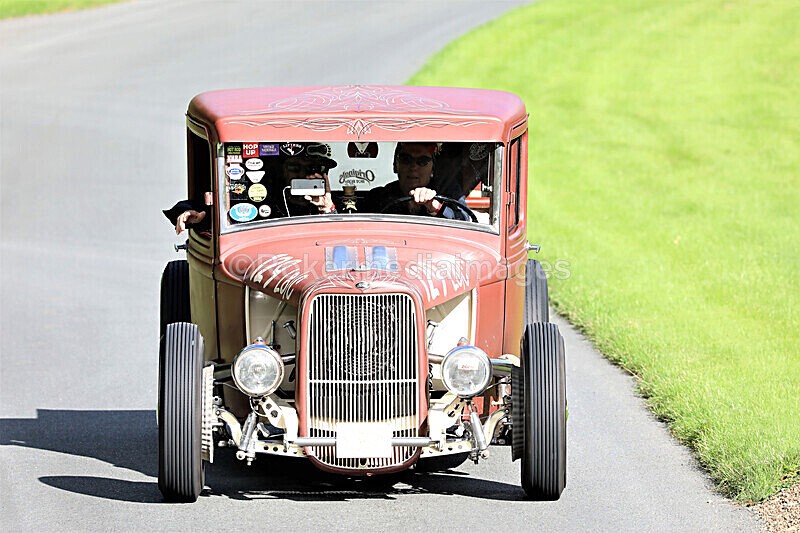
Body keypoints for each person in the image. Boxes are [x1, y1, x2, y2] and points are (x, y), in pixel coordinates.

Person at [164, 142, 338, 234]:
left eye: (310, 169)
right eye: (294, 168)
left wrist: (326, 208)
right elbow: (189, 209)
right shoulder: (262, 198)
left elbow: (345, 240)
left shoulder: (334, 203)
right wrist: (198, 217)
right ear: (282, 171)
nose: (301, 175)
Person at [366, 142, 469, 220]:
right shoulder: (379, 197)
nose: (413, 167)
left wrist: (435, 207)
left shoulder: (448, 192)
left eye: (422, 161)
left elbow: (464, 220)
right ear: (395, 165)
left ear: (433, 168)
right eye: (406, 159)